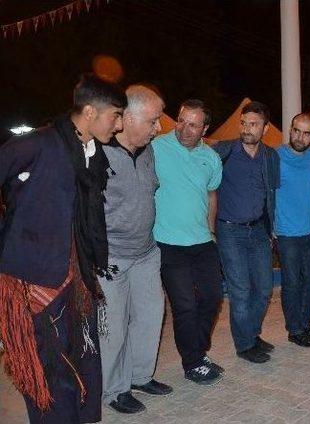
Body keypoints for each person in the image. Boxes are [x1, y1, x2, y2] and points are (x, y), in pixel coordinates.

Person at [0, 74, 126, 423]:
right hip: (34, 278)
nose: (118, 125)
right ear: (89, 112)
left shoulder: (93, 152)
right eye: (115, 115)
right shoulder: (39, 143)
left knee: (82, 360)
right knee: (48, 371)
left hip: (75, 273)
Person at [99, 86, 172, 414]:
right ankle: (114, 390)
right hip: (111, 257)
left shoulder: (149, 150)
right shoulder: (97, 152)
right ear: (127, 118)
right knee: (113, 328)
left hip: (146, 252)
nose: (159, 128)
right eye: (153, 121)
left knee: (150, 316)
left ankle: (141, 376)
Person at [153, 99, 225, 384]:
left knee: (212, 298)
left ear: (205, 128)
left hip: (202, 242)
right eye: (181, 121)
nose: (183, 128)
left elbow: (211, 195)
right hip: (167, 242)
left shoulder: (212, 158)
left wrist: (212, 232)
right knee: (184, 305)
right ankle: (193, 363)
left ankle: (198, 350)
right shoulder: (156, 147)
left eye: (193, 124)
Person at [213, 101, 280, 363]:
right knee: (240, 290)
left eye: (253, 124)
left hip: (259, 232)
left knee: (264, 289)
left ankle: (251, 334)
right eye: (244, 123)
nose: (247, 128)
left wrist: (272, 229)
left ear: (265, 128)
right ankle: (244, 345)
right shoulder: (224, 151)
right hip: (230, 231)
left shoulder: (270, 156)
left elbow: (271, 194)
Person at [275, 113, 310, 347]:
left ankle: (305, 322)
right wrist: (271, 225)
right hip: (286, 233)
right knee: (292, 283)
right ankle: (294, 329)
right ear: (290, 129)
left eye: (306, 133)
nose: (299, 137)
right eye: (296, 130)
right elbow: (267, 192)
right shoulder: (275, 156)